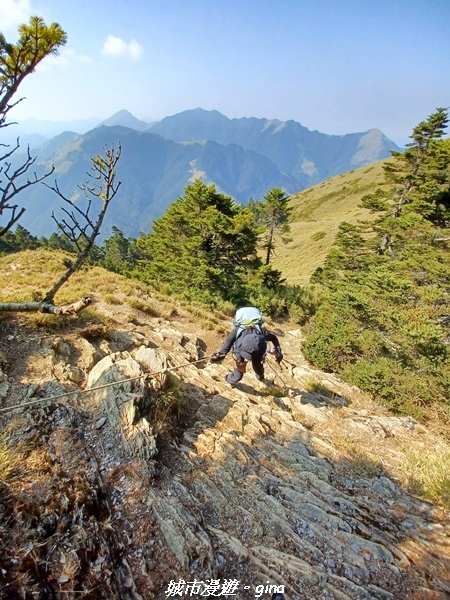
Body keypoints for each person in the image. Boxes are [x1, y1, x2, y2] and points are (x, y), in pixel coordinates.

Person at [210, 306, 283, 386]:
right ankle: (229, 379)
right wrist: (278, 352)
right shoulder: (259, 332)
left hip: (251, 351)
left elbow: (224, 350)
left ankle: (258, 377)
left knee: (250, 372)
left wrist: (219, 356)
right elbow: (274, 338)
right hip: (247, 351)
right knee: (247, 372)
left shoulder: (239, 331)